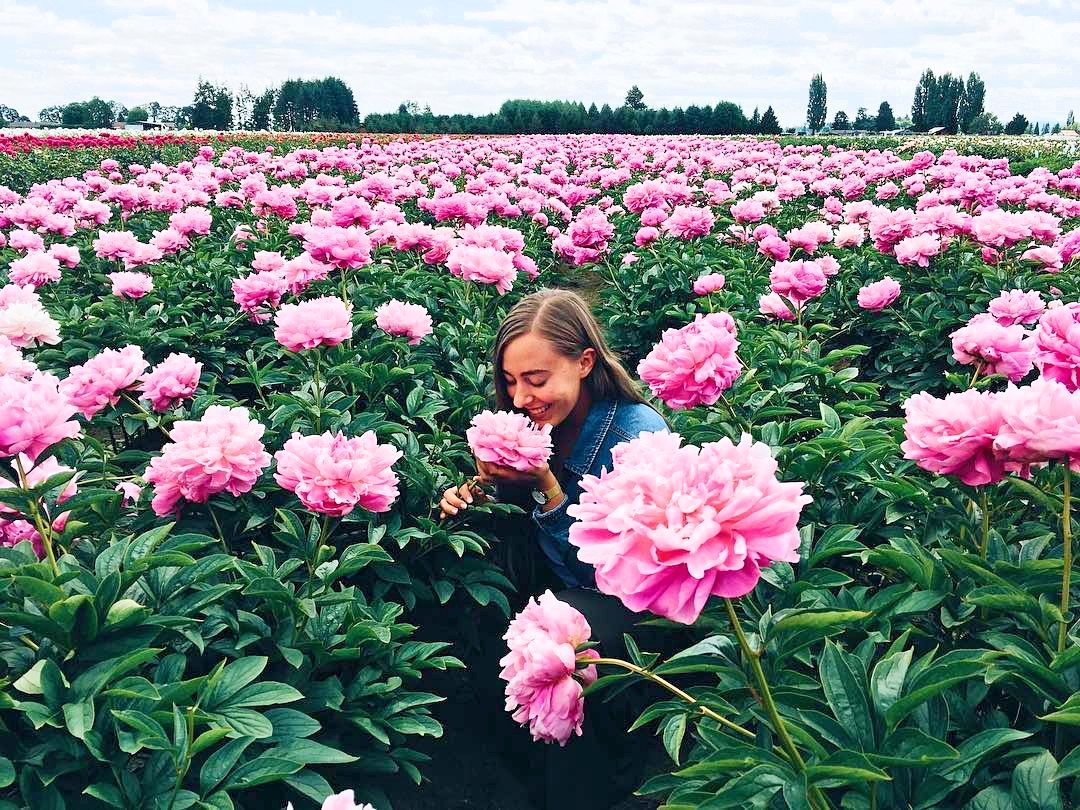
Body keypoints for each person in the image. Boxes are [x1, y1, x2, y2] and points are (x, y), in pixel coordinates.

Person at [437, 288, 669, 809]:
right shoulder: (530, 422)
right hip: (555, 587)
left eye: (536, 379)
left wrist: (547, 486)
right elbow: (518, 529)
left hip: (624, 604)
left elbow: (615, 577)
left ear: (584, 362)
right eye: (510, 381)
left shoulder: (637, 437)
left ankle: (585, 788)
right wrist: (476, 496)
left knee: (562, 652)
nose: (521, 397)